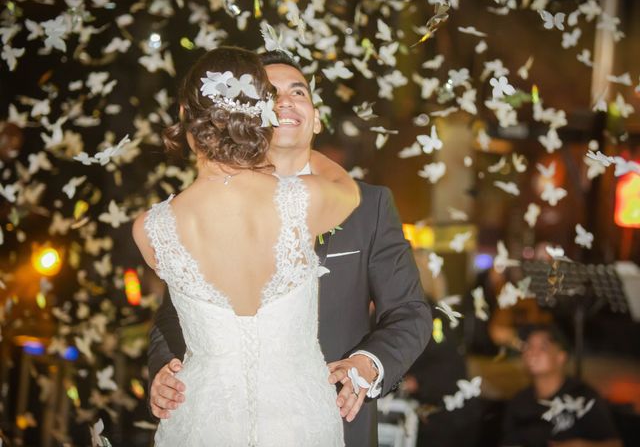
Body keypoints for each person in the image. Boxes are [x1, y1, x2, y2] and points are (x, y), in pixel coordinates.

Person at [147, 50, 432, 446]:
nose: (284, 101)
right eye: (269, 93)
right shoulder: (198, 210)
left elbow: (410, 312)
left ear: (315, 117)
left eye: (298, 92)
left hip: (329, 419)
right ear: (246, 116)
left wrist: (368, 364)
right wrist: (164, 368)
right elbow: (173, 315)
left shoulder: (371, 206)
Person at [501, 325, 622, 447]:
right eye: (528, 346)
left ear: (561, 357)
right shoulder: (520, 401)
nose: (532, 352)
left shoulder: (583, 397)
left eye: (543, 347)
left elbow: (615, 444)